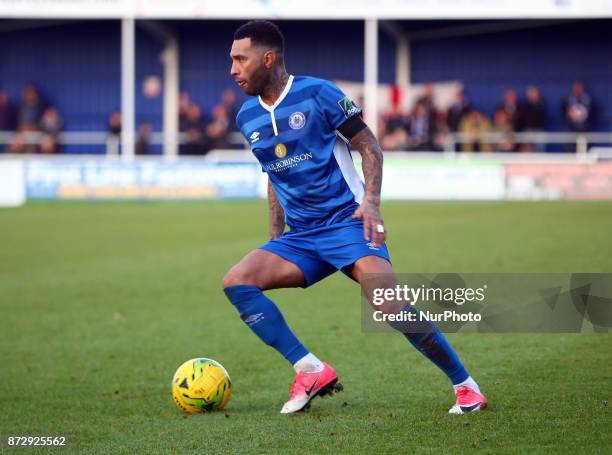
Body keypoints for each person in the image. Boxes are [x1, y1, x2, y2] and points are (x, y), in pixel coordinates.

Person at [224, 20, 487, 415]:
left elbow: (369, 146)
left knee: (388, 304)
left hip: (347, 223)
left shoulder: (319, 93)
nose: (233, 69)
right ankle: (309, 369)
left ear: (268, 58)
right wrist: (275, 236)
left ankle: (466, 387)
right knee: (237, 282)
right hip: (302, 236)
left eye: (239, 59)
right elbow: (273, 176)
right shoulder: (247, 116)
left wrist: (373, 202)